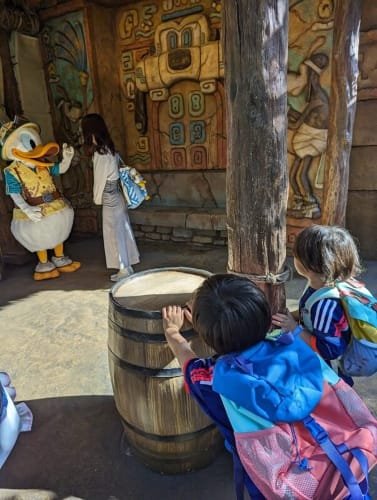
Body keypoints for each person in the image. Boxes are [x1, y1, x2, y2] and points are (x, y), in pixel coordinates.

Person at [162, 274, 271, 499]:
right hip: (332, 466)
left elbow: (187, 358)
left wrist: (172, 331)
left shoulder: (213, 380)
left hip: (273, 476)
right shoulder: (287, 346)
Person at [272, 224, 362, 384]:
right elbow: (311, 312)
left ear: (311, 265)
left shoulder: (326, 305)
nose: (294, 259)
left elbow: (328, 350)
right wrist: (294, 316)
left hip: (329, 377)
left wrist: (294, 328)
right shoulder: (321, 286)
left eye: (297, 256)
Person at [81, 113, 139, 281]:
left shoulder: (100, 154)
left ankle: (123, 269)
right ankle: (126, 266)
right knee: (123, 231)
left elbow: (99, 182)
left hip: (109, 197)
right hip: (117, 195)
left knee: (114, 234)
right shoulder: (110, 149)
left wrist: (96, 199)